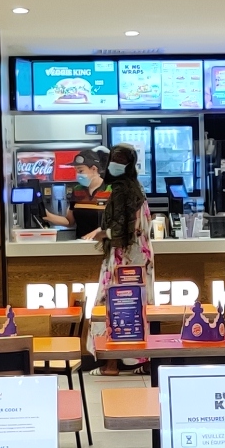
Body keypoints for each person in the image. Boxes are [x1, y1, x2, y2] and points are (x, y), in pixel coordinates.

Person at [92, 143, 153, 373]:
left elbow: (119, 231)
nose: (115, 164)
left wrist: (102, 234)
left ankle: (111, 363)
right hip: (141, 258)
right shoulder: (136, 186)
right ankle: (143, 361)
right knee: (138, 308)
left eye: (120, 160)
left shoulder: (119, 189)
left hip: (122, 258)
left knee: (110, 307)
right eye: (114, 159)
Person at [43, 150, 110, 236]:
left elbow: (118, 222)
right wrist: (47, 215)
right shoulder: (78, 190)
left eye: (80, 171)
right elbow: (69, 221)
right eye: (76, 171)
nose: (78, 175)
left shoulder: (110, 190)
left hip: (104, 242)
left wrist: (99, 232)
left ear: (94, 169)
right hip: (81, 242)